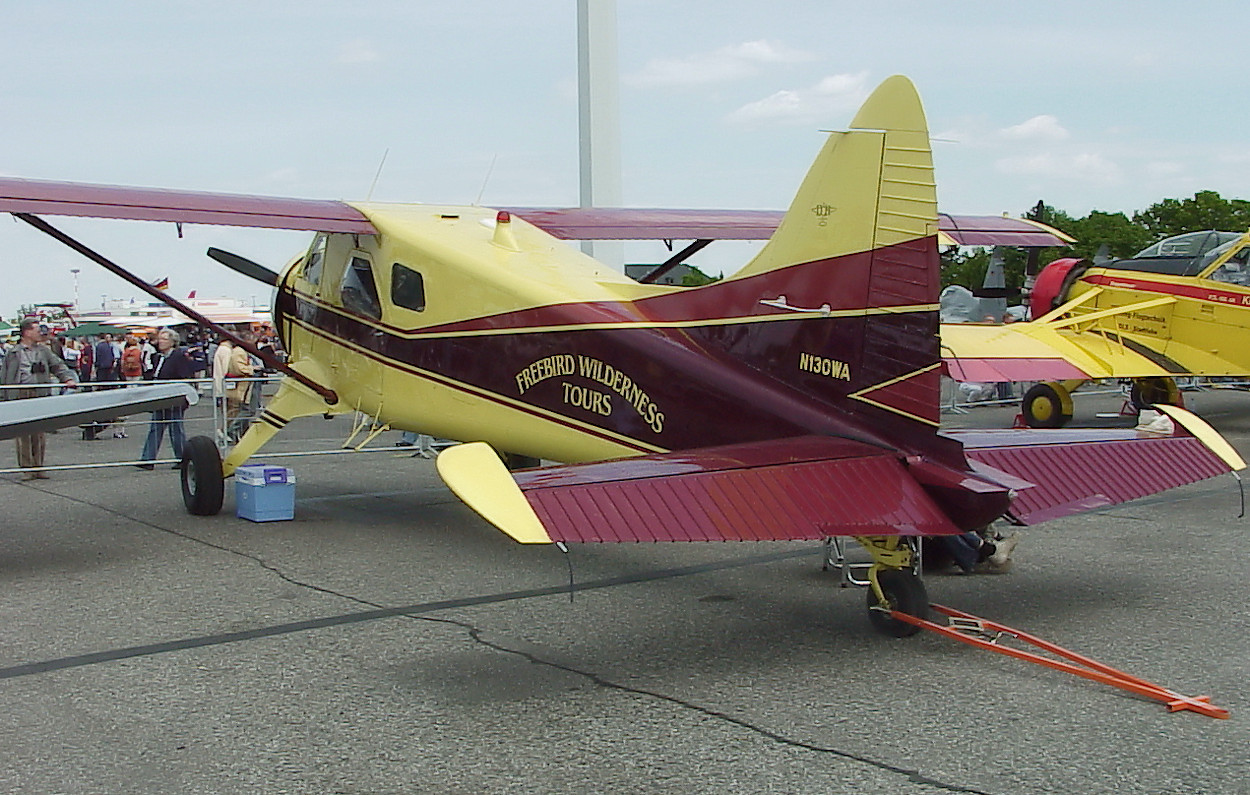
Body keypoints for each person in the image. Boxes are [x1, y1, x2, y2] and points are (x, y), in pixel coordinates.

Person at [1, 319, 77, 479]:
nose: (40, 333)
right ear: (27, 332)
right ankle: (27, 468)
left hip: (40, 393)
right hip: (20, 394)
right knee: (23, 434)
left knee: (39, 433)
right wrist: (4, 396)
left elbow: (58, 365)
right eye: (36, 330)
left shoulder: (43, 351)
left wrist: (68, 379)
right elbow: (4, 375)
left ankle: (38, 466)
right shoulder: (13, 353)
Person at [138, 328, 198, 469]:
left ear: (172, 342)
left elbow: (184, 376)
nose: (161, 342)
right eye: (160, 339)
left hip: (173, 398)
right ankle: (148, 459)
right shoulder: (158, 357)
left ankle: (182, 458)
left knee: (176, 429)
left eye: (164, 339)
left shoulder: (178, 357)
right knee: (155, 428)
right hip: (160, 397)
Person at [225, 332, 256, 442]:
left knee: (245, 409)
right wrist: (252, 369)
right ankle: (232, 430)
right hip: (243, 385)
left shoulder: (240, 351)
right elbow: (239, 368)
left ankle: (238, 432)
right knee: (246, 409)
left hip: (244, 384)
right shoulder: (239, 352)